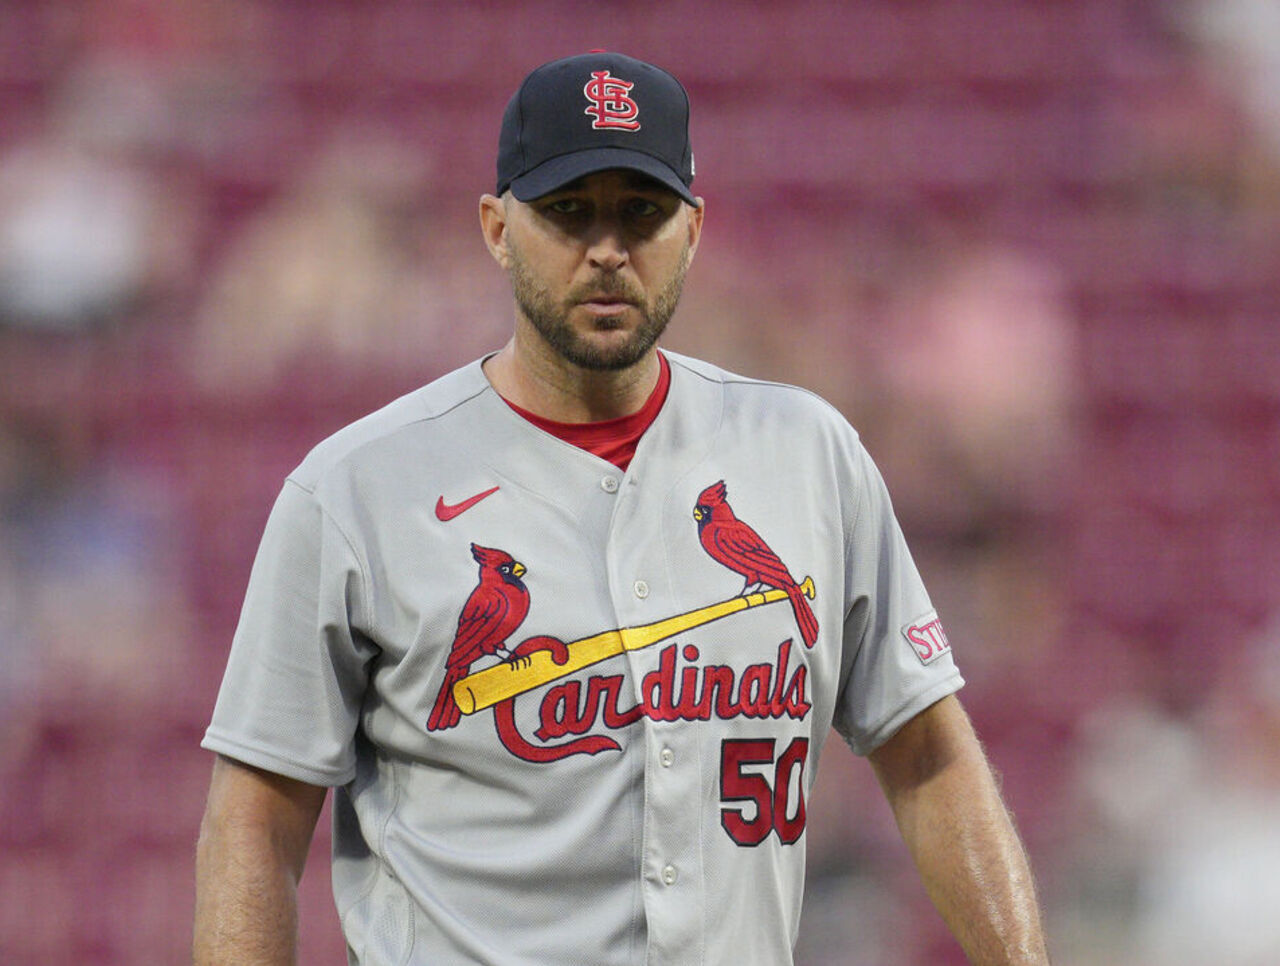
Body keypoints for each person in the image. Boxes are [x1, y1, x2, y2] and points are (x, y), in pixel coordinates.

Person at [193, 51, 1051, 966]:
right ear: (495, 228)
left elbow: (931, 756)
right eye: (567, 212)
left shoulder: (808, 455)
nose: (607, 248)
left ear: (694, 230)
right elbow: (253, 823)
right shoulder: (358, 490)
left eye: (640, 212)